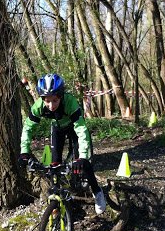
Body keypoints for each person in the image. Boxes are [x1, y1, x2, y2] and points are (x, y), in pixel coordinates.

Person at [19, 73, 106, 214]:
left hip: (75, 128)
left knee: (84, 164)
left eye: (54, 100)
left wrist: (82, 157)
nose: (51, 105)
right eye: (47, 101)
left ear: (61, 95)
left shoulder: (70, 102)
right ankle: (58, 203)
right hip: (57, 129)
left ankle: (97, 191)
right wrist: (24, 151)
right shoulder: (38, 106)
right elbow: (28, 128)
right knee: (55, 165)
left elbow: (82, 130)